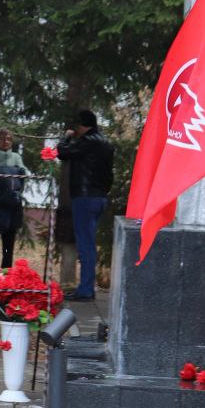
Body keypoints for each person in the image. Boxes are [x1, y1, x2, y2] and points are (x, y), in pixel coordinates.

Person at [56, 110, 113, 300]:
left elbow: (63, 153)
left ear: (82, 126)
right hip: (100, 197)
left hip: (85, 197)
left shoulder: (88, 141)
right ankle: (86, 286)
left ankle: (86, 289)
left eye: (77, 126)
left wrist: (66, 138)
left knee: (85, 244)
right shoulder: (105, 141)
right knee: (88, 242)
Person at [0, 128, 27, 272]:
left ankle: (6, 276)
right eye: (2, 138)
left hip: (11, 208)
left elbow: (24, 174)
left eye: (9, 138)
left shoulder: (16, 157)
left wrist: (16, 173)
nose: (6, 141)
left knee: (8, 247)